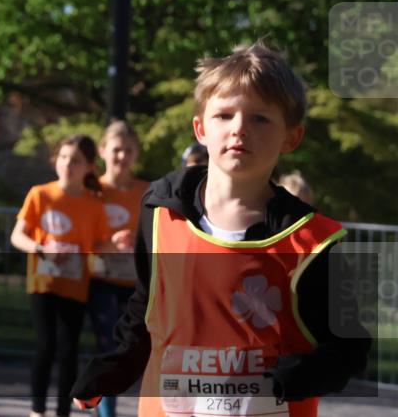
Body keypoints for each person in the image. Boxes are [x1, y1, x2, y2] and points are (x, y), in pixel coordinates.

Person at [72, 43, 371, 416]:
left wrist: (303, 375)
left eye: (260, 118)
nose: (239, 129)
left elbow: (349, 347)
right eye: (224, 115)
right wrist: (116, 366)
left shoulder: (313, 242)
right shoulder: (161, 211)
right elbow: (147, 307)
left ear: (291, 137)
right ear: (200, 128)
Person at [11, 135, 119, 417]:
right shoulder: (40, 194)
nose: (68, 165)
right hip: (43, 282)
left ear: (89, 167)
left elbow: (99, 245)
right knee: (46, 345)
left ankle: (62, 412)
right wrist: (40, 248)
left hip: (75, 285)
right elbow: (17, 236)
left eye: (75, 160)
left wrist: (118, 243)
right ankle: (37, 411)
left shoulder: (93, 204)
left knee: (68, 351)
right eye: (63, 158)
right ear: (54, 161)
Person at [89, 121, 149, 417]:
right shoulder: (92, 191)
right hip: (101, 279)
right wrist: (107, 243)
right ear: (102, 151)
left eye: (128, 151)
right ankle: (106, 412)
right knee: (108, 345)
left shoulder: (148, 191)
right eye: (116, 150)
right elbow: (79, 237)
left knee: (140, 349)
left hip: (136, 283)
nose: (121, 157)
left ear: (136, 154)